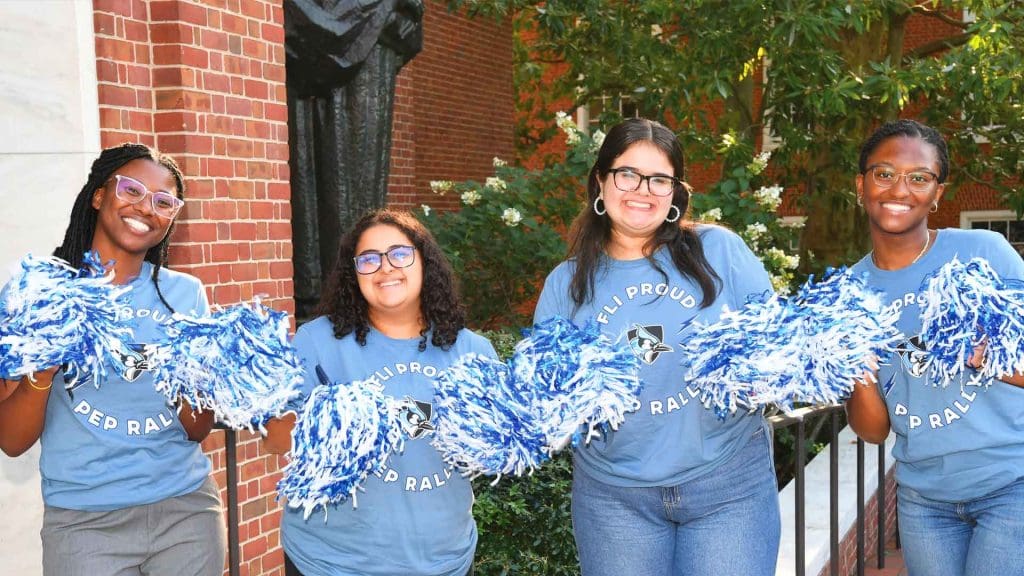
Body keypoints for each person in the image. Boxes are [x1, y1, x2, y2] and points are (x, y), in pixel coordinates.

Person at [534, 118, 781, 575]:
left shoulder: (720, 250)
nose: (641, 190)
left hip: (727, 487)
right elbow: (547, 399)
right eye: (627, 174)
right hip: (613, 498)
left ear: (675, 193)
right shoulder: (565, 285)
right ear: (601, 183)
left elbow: (778, 348)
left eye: (659, 179)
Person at [0, 143, 225, 575]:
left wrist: (190, 371)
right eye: (132, 190)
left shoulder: (184, 293)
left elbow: (197, 428)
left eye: (164, 202)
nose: (146, 207)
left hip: (186, 512)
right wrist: (45, 363)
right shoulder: (38, 292)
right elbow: (11, 441)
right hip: (85, 524)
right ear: (100, 194)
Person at [264, 209, 495, 576]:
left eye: (400, 254)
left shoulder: (472, 352)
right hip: (331, 562)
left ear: (425, 263)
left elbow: (488, 457)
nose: (385, 268)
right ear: (353, 274)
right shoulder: (318, 342)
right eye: (368, 260)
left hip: (444, 561)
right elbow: (276, 440)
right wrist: (328, 421)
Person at [846, 119, 1024, 576]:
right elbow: (873, 432)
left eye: (919, 177)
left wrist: (995, 359)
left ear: (938, 192)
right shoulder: (849, 292)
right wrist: (859, 372)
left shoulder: (985, 251)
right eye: (884, 173)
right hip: (924, 498)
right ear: (860, 184)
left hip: (1011, 483)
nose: (899, 189)